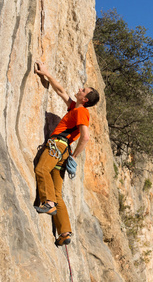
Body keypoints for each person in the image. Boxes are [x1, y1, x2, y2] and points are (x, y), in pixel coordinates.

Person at [34, 60, 100, 246]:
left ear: (85, 99)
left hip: (58, 145)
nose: (80, 89)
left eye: (83, 90)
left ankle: (49, 203)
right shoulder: (74, 108)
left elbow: (85, 137)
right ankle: (64, 232)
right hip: (63, 150)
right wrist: (46, 74)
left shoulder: (81, 112)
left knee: (41, 170)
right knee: (57, 192)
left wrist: (75, 156)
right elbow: (61, 91)